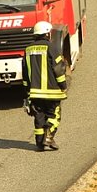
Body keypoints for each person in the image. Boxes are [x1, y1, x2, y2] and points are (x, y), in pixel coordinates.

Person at [22, 21, 68, 151]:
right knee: (54, 115)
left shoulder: (28, 49)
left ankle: (39, 143)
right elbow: (58, 69)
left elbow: (25, 73)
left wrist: (26, 92)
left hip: (34, 93)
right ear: (47, 33)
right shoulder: (51, 48)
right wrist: (63, 85)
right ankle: (48, 136)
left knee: (39, 116)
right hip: (52, 91)